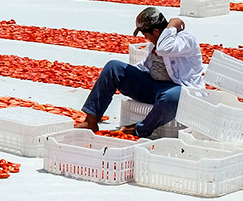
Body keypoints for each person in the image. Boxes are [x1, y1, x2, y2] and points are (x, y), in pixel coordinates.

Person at [76, 7, 204, 138]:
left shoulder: (185, 40)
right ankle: (91, 121)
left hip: (175, 89)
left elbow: (165, 49)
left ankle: (140, 129)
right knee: (113, 67)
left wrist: (172, 25)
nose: (147, 39)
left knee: (174, 97)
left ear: (156, 31)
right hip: (153, 86)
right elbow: (145, 67)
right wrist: (128, 75)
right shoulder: (157, 41)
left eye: (146, 35)